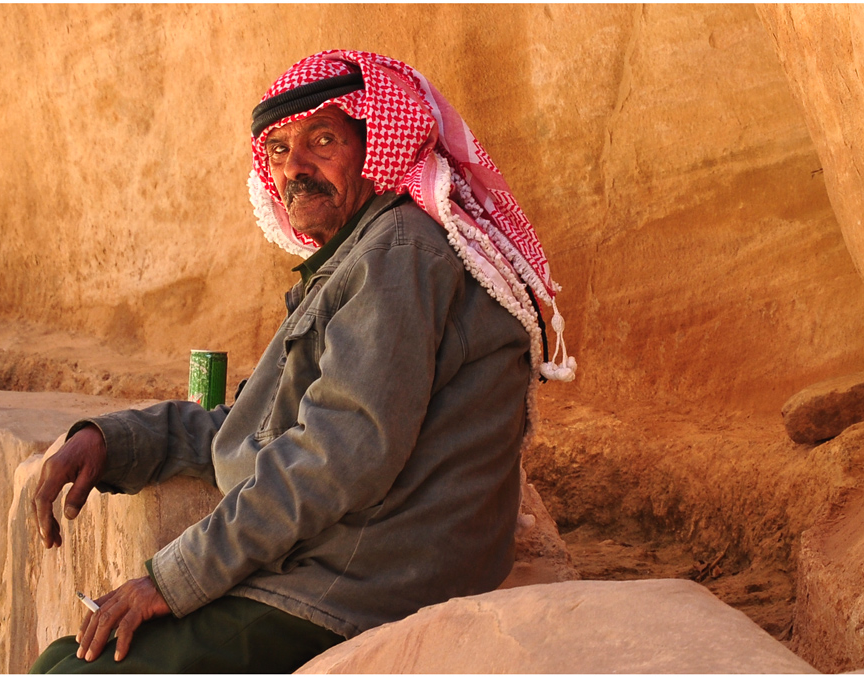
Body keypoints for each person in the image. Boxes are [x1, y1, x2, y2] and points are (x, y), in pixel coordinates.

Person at [29, 50, 576, 673]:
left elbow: (335, 454)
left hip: (366, 584)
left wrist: (169, 580)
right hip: (341, 567)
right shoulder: (360, 256)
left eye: (321, 140)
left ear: (374, 147)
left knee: (73, 671)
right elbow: (254, 427)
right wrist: (112, 442)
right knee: (61, 660)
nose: (296, 168)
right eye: (280, 150)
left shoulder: (397, 256)